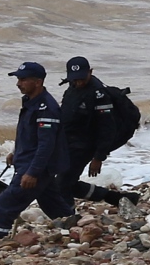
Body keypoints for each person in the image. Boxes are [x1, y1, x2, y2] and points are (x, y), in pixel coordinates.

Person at [0, 62, 75, 246]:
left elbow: (46, 145)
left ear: (38, 82)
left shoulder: (46, 108)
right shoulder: (30, 101)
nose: (18, 84)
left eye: (23, 79)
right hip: (28, 161)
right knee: (52, 204)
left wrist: (33, 172)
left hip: (36, 166)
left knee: (6, 202)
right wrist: (15, 152)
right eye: (18, 79)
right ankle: (75, 226)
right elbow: (27, 133)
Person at [56, 56, 139, 208]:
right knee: (66, 183)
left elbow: (107, 128)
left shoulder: (99, 94)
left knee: (63, 184)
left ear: (90, 72)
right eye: (75, 79)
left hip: (84, 146)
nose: (79, 82)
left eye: (82, 78)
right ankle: (116, 198)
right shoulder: (72, 87)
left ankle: (66, 216)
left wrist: (99, 157)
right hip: (68, 142)